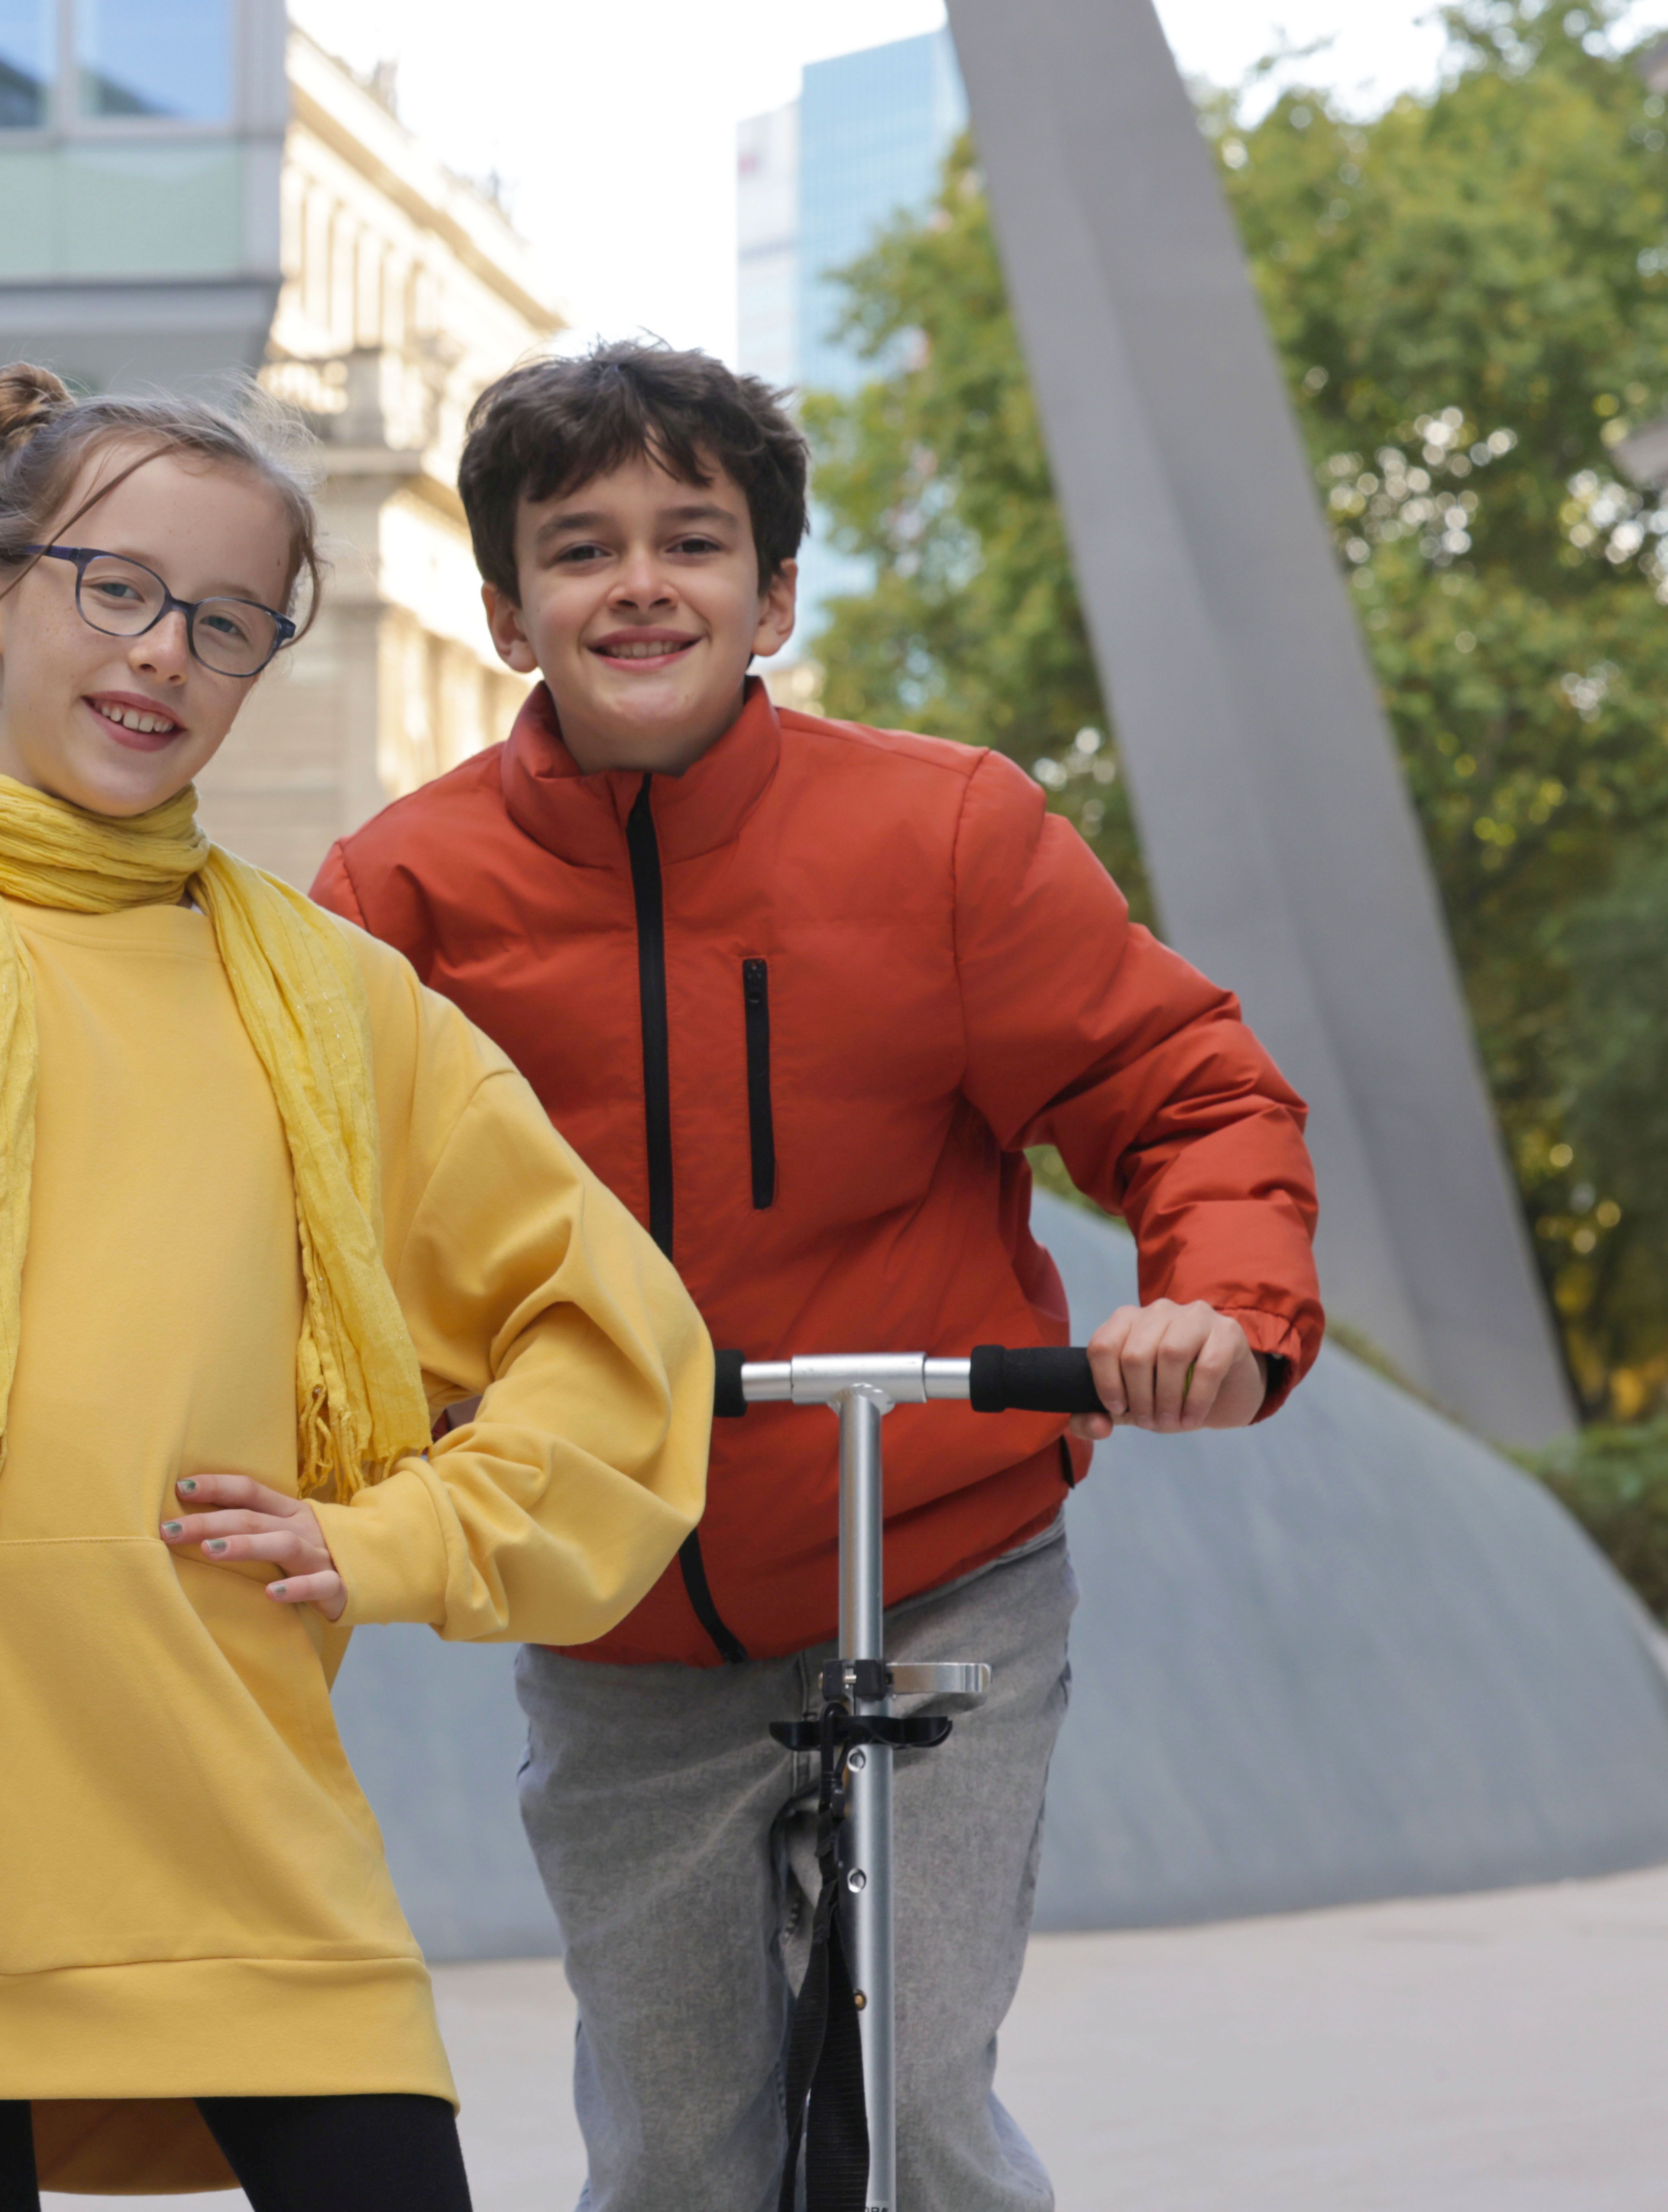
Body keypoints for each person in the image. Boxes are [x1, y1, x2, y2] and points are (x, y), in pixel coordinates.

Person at [0, 365, 718, 2209]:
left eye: (227, 620)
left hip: (228, 1777)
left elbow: (618, 1342)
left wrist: (404, 1533)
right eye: (115, 589)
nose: (164, 651)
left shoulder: (338, 1003)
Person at [311, 341, 1325, 2211]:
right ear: (505, 611)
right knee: (671, 2143)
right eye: (580, 546)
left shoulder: (937, 831)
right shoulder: (399, 899)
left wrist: (1222, 1303)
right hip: (610, 1599)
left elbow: (1180, 1090)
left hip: (934, 1547)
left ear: (771, 593)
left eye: (691, 541)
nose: (638, 582)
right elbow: (293, 1211)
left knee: (919, 2098)